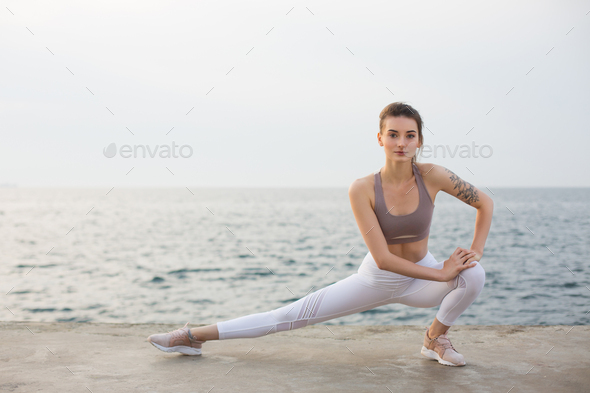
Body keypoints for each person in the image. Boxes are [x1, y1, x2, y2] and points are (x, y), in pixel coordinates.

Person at [147, 102, 493, 367]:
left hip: (421, 279)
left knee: (474, 274)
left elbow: (485, 204)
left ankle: (434, 339)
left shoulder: (433, 175)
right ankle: (192, 336)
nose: (401, 143)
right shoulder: (362, 189)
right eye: (393, 134)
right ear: (379, 138)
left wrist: (473, 252)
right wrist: (441, 272)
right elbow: (384, 258)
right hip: (377, 278)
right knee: (286, 317)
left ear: (419, 140)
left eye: (409, 135)